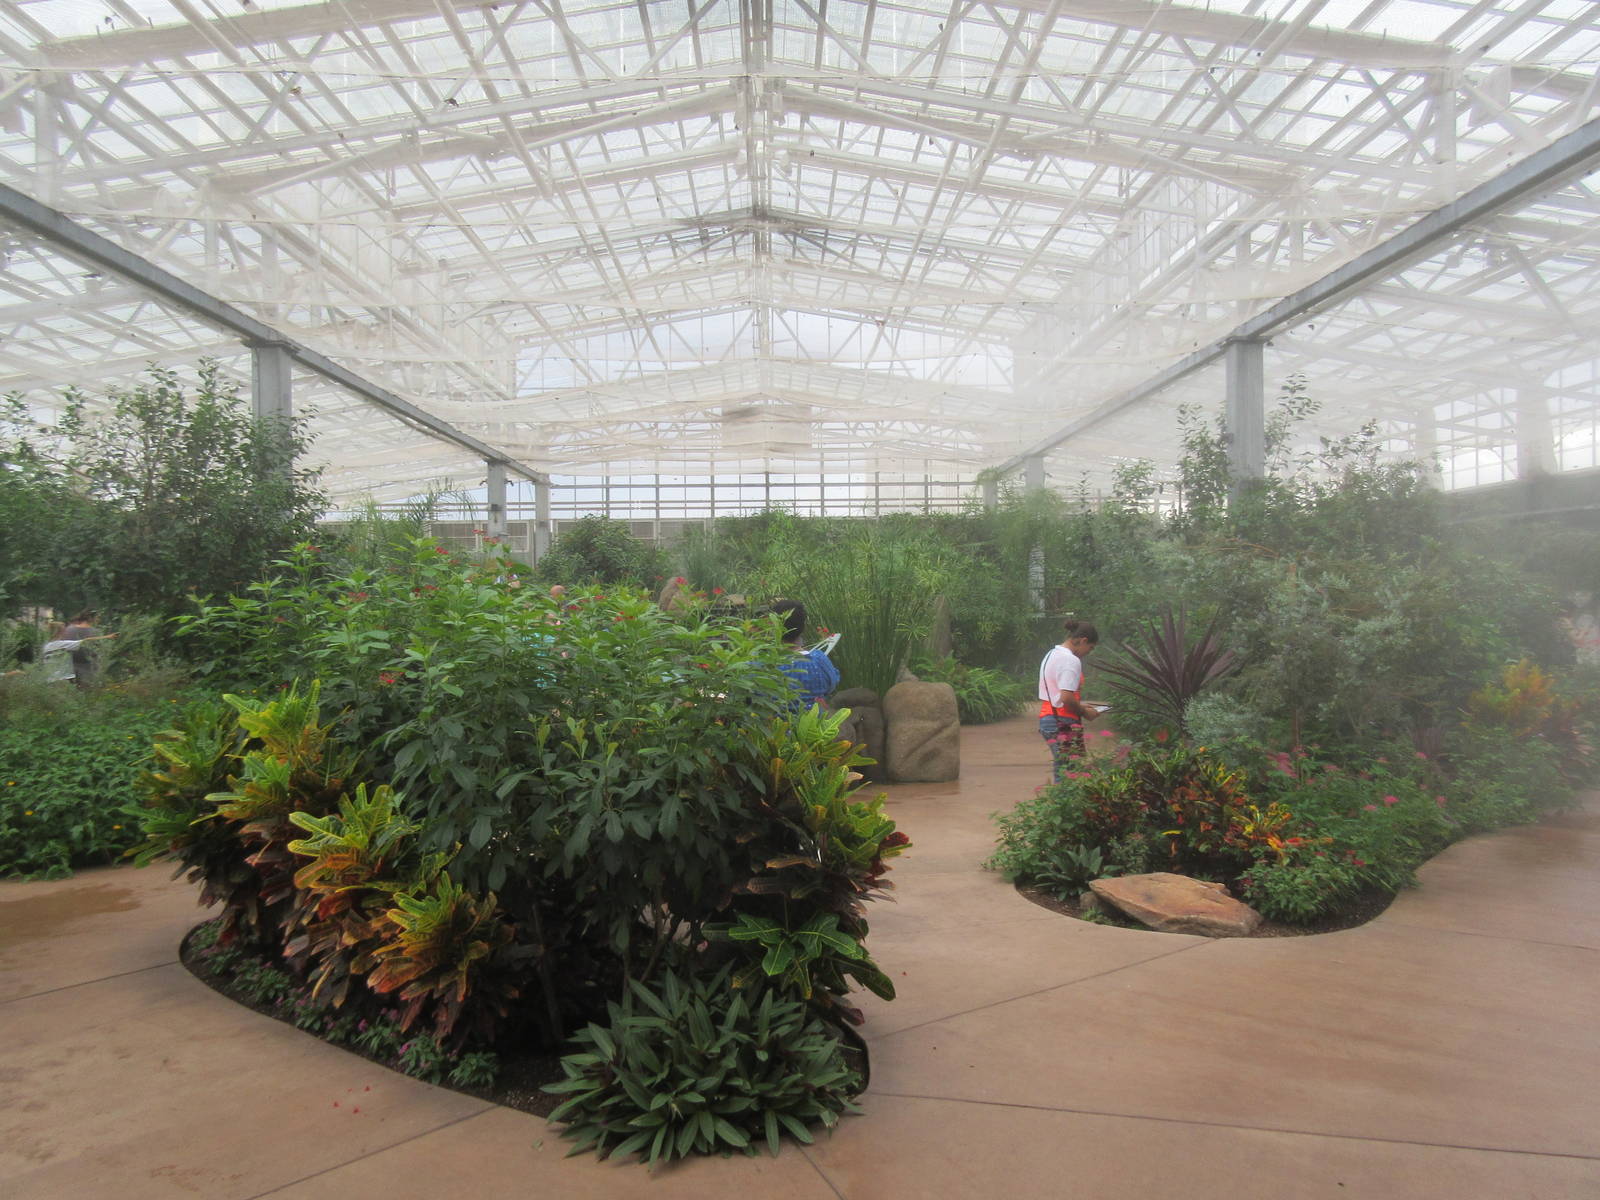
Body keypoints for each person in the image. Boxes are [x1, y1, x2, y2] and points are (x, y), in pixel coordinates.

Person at [1038, 619, 1103, 783]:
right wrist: (1085, 712)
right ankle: (1062, 807)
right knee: (1069, 775)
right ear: (1083, 641)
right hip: (1062, 720)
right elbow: (1066, 697)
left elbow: (1056, 694)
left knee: (1065, 770)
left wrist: (1080, 705)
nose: (1089, 652)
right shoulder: (1070, 660)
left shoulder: (1051, 654)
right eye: (1090, 648)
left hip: (1049, 717)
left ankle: (1060, 805)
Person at [767, 598, 839, 710]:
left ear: (774, 625)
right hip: (818, 724)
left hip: (779, 725)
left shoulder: (767, 665)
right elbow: (832, 683)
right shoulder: (819, 660)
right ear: (803, 626)